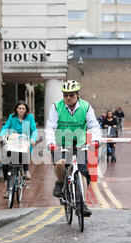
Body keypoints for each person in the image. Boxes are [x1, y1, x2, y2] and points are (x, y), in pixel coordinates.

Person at [45, 80, 101, 217]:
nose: (68, 98)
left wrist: (95, 141)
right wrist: (51, 143)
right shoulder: (56, 107)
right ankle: (59, 183)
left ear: (77, 95)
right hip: (60, 142)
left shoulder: (86, 107)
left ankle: (82, 203)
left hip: (79, 142)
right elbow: (50, 126)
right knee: (60, 164)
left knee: (82, 172)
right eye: (65, 95)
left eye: (71, 95)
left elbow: (94, 126)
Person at [0, 101, 37, 198]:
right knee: (6, 164)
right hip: (13, 143)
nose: (21, 110)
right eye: (19, 108)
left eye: (23, 109)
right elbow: (5, 127)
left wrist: (33, 139)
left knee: (24, 154)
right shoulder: (12, 117)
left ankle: (26, 170)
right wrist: (1, 136)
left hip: (24, 142)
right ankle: (8, 188)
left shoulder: (29, 117)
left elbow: (34, 130)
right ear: (16, 109)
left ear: (26, 110)